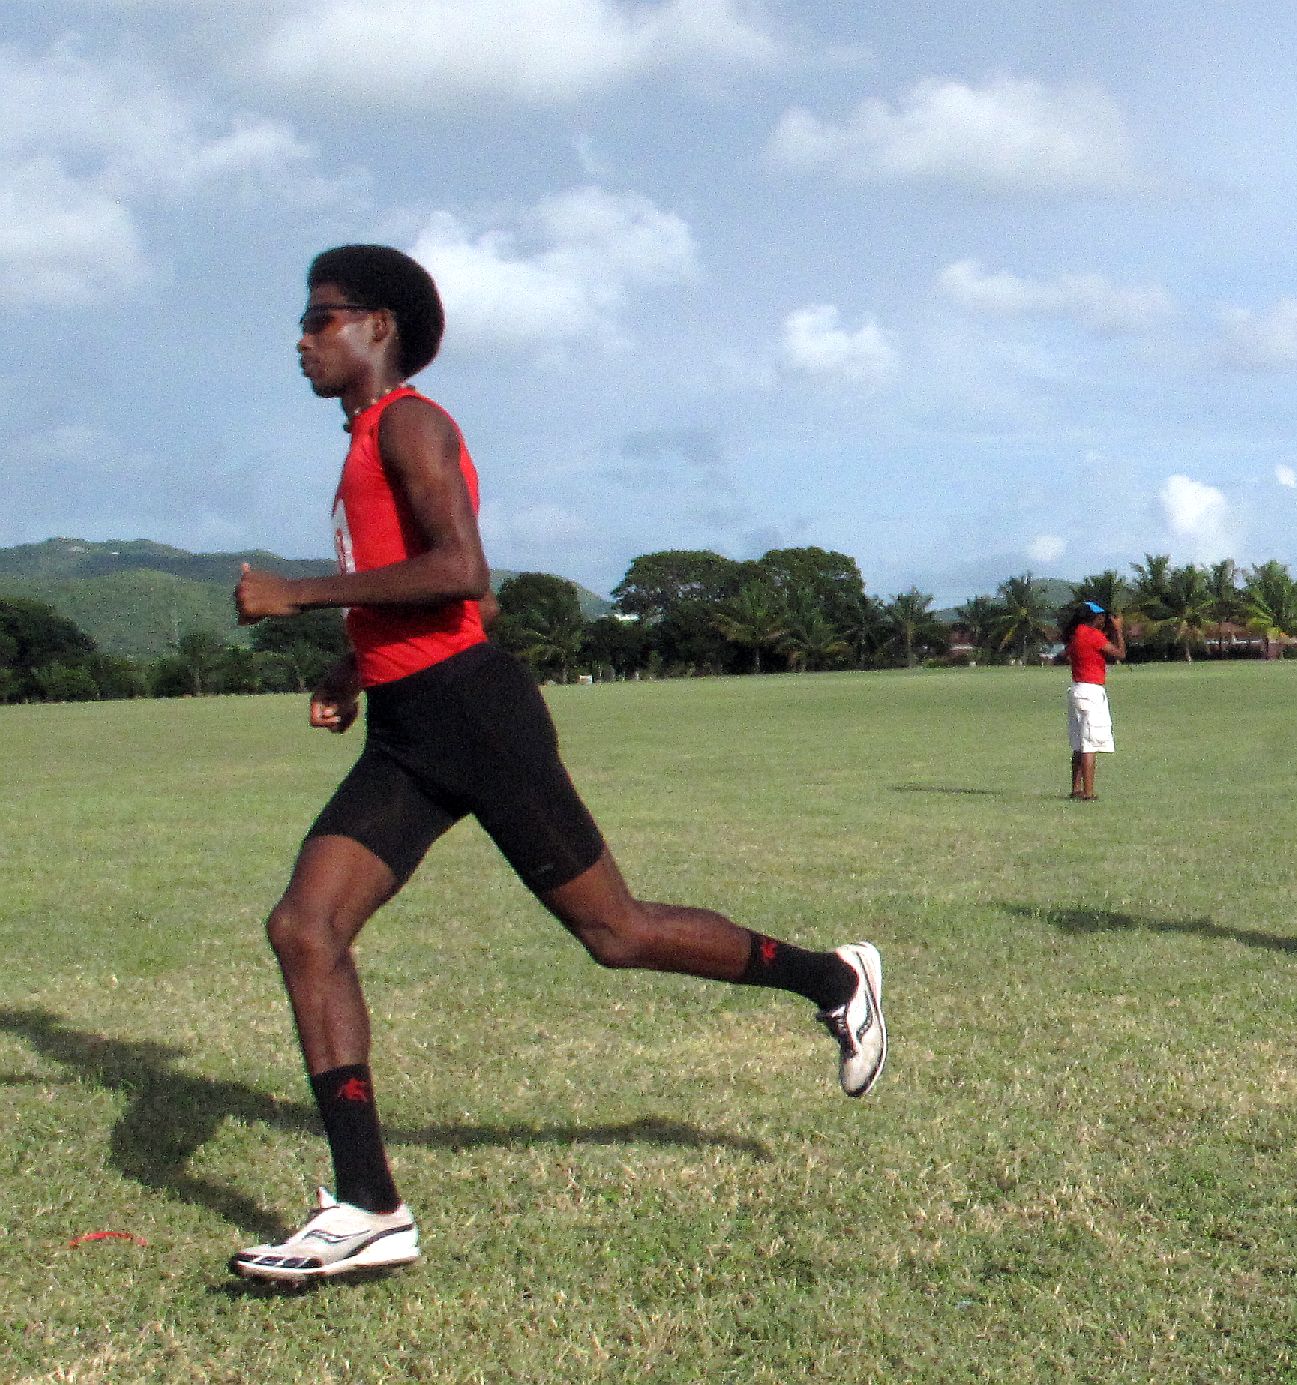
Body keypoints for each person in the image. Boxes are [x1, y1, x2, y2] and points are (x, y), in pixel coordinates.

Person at [227, 246, 885, 1284]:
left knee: (615, 933)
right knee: (304, 927)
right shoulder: (364, 442)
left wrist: (298, 595)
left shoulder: (412, 422)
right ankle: (368, 1203)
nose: (301, 339)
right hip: (408, 723)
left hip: (476, 718)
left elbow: (464, 572)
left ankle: (835, 976)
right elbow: (446, 596)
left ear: (378, 326)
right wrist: (353, 663)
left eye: (321, 319)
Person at [1062, 601, 1125, 799]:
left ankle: (1075, 788)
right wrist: (1118, 630)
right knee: (1090, 743)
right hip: (1092, 691)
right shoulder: (1093, 635)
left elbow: (1068, 656)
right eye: (1101, 617)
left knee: (1079, 742)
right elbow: (1120, 653)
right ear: (1094, 618)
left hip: (1077, 688)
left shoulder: (1075, 634)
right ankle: (1088, 793)